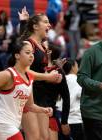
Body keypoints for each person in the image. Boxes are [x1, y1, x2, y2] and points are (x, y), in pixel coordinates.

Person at [17, 7, 68, 140]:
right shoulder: (29, 44)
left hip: (42, 96)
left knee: (44, 137)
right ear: (35, 26)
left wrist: (54, 74)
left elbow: (41, 70)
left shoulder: (43, 47)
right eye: (46, 22)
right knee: (35, 137)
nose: (49, 25)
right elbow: (24, 70)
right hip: (30, 96)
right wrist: (48, 76)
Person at [0, 42, 53, 140]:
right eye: (27, 53)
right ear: (17, 55)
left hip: (14, 124)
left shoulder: (30, 78)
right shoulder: (8, 74)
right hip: (2, 123)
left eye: (32, 53)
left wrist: (43, 110)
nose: (31, 56)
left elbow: (29, 105)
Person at [63, 59, 85, 140]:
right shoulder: (78, 80)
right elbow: (81, 95)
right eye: (77, 66)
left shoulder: (61, 79)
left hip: (62, 120)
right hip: (76, 120)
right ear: (72, 67)